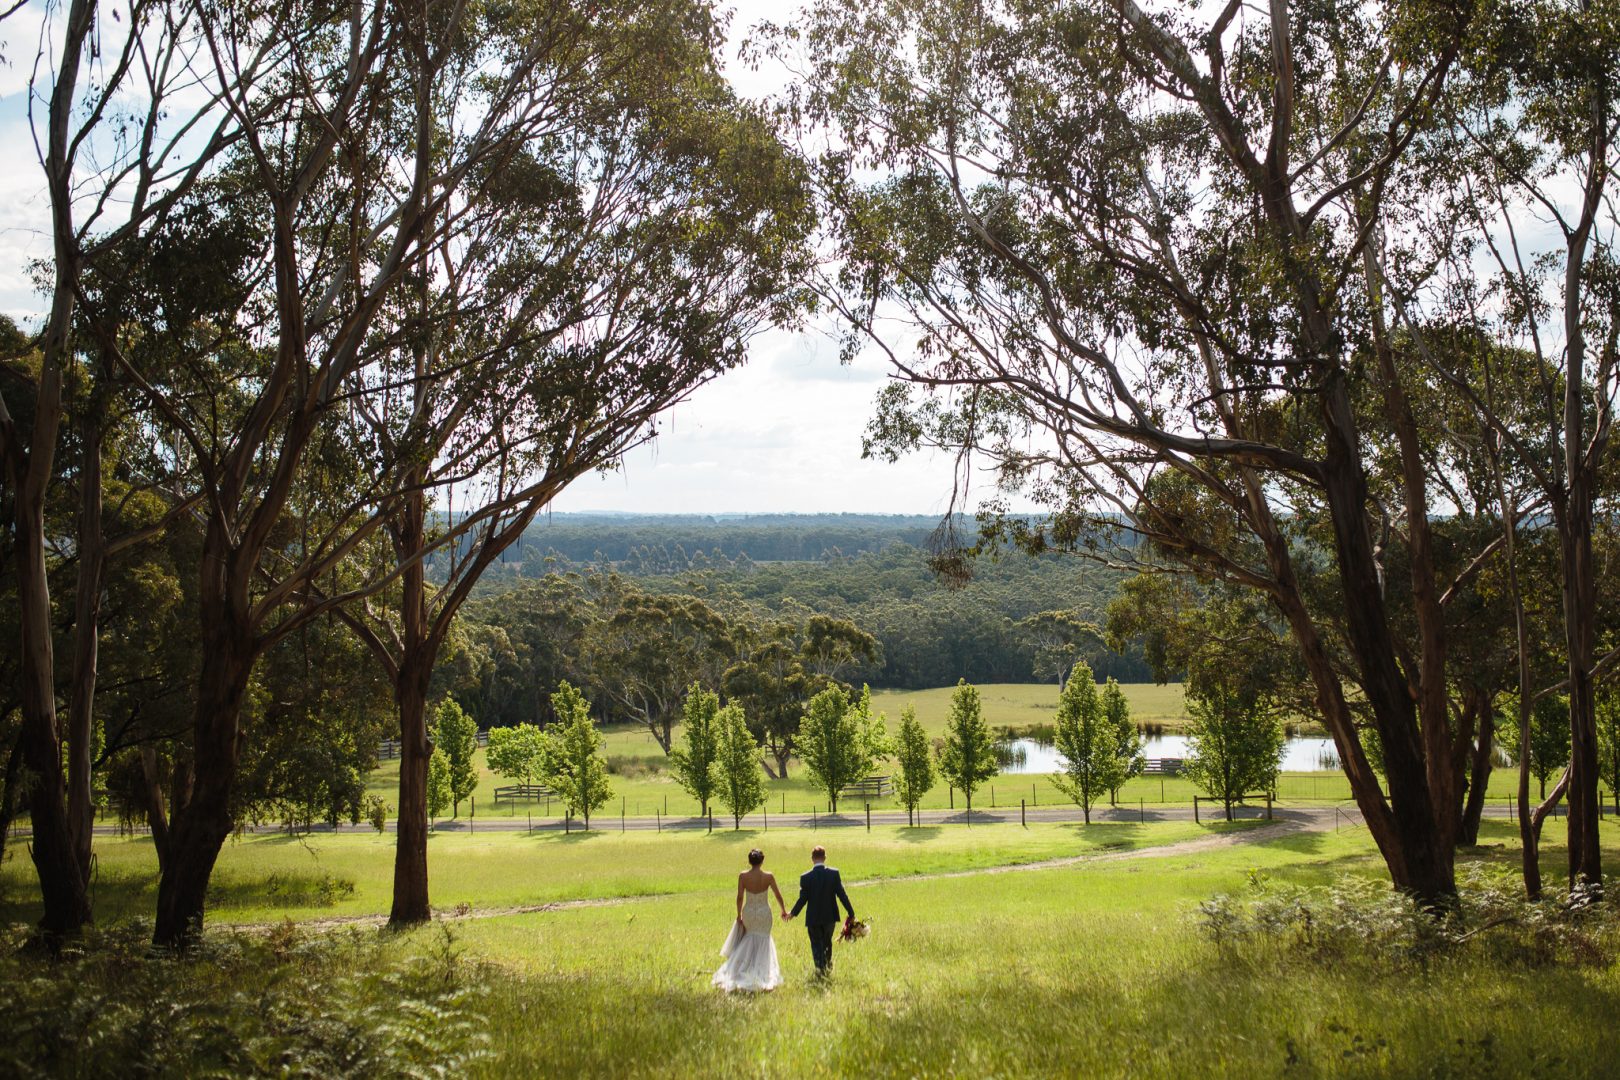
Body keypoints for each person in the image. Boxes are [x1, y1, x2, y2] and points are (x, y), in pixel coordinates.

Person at [713, 848, 788, 992]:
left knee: (749, 938)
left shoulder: (743, 876)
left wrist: (739, 914)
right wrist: (783, 910)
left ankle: (743, 968)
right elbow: (778, 895)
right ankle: (762, 971)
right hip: (764, 912)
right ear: (762, 861)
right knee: (764, 939)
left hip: (748, 912)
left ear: (749, 861)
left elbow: (740, 897)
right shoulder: (768, 876)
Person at [783, 844, 854, 976]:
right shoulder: (834, 874)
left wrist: (792, 913)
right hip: (830, 917)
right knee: (827, 942)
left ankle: (820, 970)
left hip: (813, 918)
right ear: (825, 857)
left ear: (812, 859)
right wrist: (851, 913)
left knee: (816, 944)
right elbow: (842, 895)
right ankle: (827, 967)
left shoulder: (806, 877)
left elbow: (802, 900)